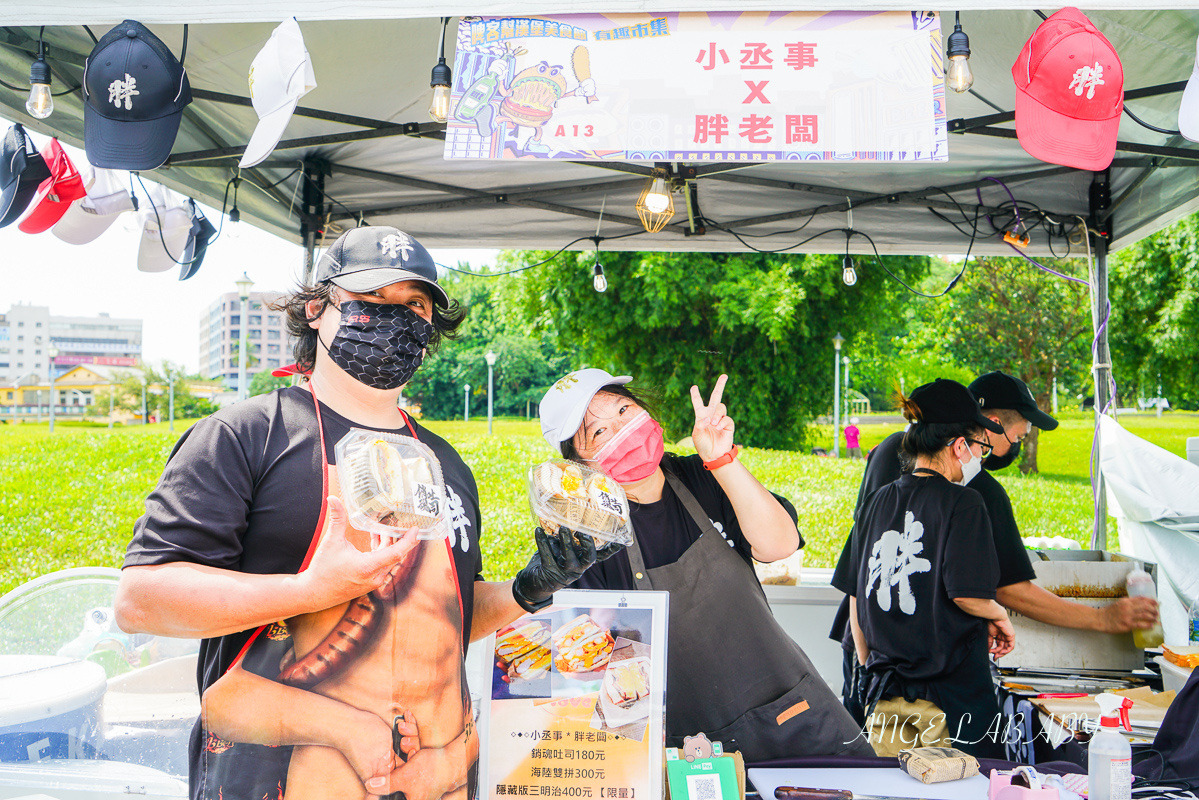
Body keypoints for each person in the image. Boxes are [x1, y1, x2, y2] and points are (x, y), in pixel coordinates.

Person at [115, 227, 598, 800]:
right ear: (317, 309)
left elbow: (445, 623)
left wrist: (529, 589)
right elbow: (142, 601)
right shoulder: (246, 436)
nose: (396, 318)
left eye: (414, 305)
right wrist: (312, 590)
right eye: (372, 299)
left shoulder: (446, 464)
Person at [538, 368, 872, 762]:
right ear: (581, 464)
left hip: (791, 717)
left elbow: (779, 544)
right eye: (598, 432)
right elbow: (584, 664)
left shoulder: (703, 477)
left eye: (625, 410)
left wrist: (720, 459)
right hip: (690, 753)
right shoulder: (585, 541)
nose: (623, 430)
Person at [830, 371, 1159, 723]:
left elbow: (859, 580)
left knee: (885, 766)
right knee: (957, 772)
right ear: (977, 434)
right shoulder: (971, 497)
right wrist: (1096, 618)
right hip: (941, 690)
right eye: (1014, 437)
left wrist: (866, 667)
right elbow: (992, 592)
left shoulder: (885, 474)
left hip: (877, 667)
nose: (1002, 450)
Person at [833, 378, 1015, 758]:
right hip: (949, 704)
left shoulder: (878, 501)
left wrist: (868, 666)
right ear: (959, 445)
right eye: (979, 446)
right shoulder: (965, 503)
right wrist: (998, 614)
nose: (978, 457)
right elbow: (967, 593)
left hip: (885, 698)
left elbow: (856, 594)